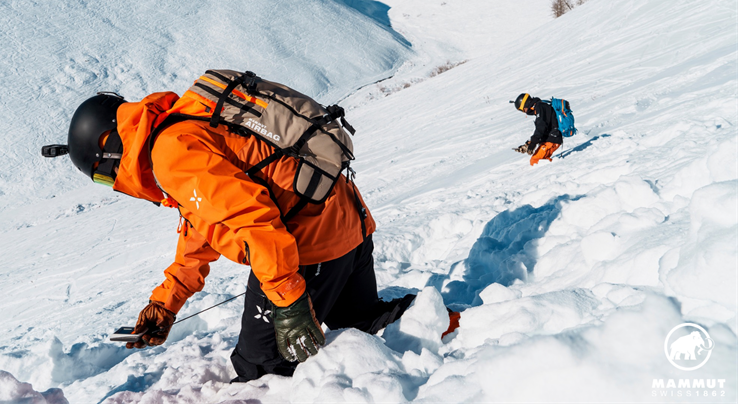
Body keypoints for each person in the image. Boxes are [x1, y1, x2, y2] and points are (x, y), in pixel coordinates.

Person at [44, 83, 419, 382]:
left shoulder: (171, 155)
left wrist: (288, 302)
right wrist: (166, 302)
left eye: (101, 175)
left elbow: (252, 221)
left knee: (261, 368)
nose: (112, 183)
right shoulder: (182, 124)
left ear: (110, 149)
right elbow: (203, 224)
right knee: (362, 323)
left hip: (310, 244)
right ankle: (450, 326)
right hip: (346, 221)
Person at [512, 93, 563, 165]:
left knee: (536, 161)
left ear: (525, 104)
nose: (524, 111)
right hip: (550, 139)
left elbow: (541, 127)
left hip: (553, 139)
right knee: (539, 161)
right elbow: (544, 128)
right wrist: (529, 144)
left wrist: (533, 143)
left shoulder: (540, 107)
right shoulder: (540, 106)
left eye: (523, 109)